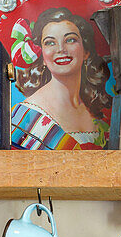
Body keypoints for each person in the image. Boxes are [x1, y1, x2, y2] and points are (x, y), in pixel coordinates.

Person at [11, 8, 111, 150]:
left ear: (86, 52)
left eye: (70, 40)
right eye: (50, 42)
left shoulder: (100, 110)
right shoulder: (25, 116)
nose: (60, 49)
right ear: (43, 56)